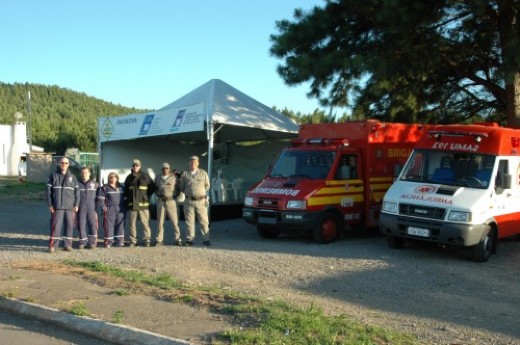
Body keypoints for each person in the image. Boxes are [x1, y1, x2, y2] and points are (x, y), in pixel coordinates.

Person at [46, 157, 80, 253]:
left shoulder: (73, 177)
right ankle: (53, 246)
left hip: (70, 207)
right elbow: (48, 192)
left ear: (68, 165)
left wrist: (76, 205)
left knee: (69, 226)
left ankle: (67, 245)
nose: (64, 164)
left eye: (66, 163)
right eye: (62, 163)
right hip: (57, 206)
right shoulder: (53, 176)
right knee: (55, 226)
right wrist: (50, 204)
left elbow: (77, 192)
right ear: (59, 164)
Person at [179, 156, 211, 246]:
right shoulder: (185, 174)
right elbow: (181, 187)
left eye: (195, 162)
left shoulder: (203, 173)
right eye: (191, 162)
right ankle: (190, 239)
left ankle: (206, 239)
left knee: (204, 221)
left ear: (198, 163)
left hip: (201, 201)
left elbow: (207, 185)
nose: (193, 163)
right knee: (189, 221)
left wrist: (200, 193)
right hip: (189, 201)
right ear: (189, 163)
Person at [124, 159, 155, 247]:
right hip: (132, 205)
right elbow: (126, 191)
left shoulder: (145, 177)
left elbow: (152, 188)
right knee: (132, 224)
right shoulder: (128, 178)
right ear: (132, 167)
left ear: (140, 166)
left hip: (143, 205)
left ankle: (147, 240)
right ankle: (133, 240)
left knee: (145, 224)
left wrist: (146, 197)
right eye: (134, 165)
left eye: (137, 165)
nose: (135, 167)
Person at [154, 162, 182, 246]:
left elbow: (178, 188)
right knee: (160, 222)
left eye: (166, 168)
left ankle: (178, 239)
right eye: (163, 168)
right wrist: (159, 195)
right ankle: (159, 239)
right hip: (161, 202)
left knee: (175, 221)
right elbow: (155, 188)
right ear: (161, 169)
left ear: (169, 169)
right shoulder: (158, 177)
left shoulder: (174, 177)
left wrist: (174, 196)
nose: (165, 170)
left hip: (171, 202)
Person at [98, 172, 126, 248]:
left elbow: (126, 198)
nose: (113, 179)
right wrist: (103, 207)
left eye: (114, 177)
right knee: (108, 226)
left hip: (121, 209)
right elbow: (100, 198)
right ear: (109, 179)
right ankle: (108, 242)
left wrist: (126, 207)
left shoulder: (122, 187)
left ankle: (119, 242)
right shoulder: (105, 187)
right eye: (111, 177)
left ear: (117, 178)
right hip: (110, 209)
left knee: (120, 226)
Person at [77, 166, 99, 249]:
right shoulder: (77, 184)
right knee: (81, 225)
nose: (84, 174)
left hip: (92, 208)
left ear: (89, 174)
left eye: (86, 172)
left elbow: (99, 198)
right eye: (82, 172)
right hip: (81, 208)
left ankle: (92, 243)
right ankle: (83, 242)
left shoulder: (95, 184)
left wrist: (97, 209)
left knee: (92, 225)